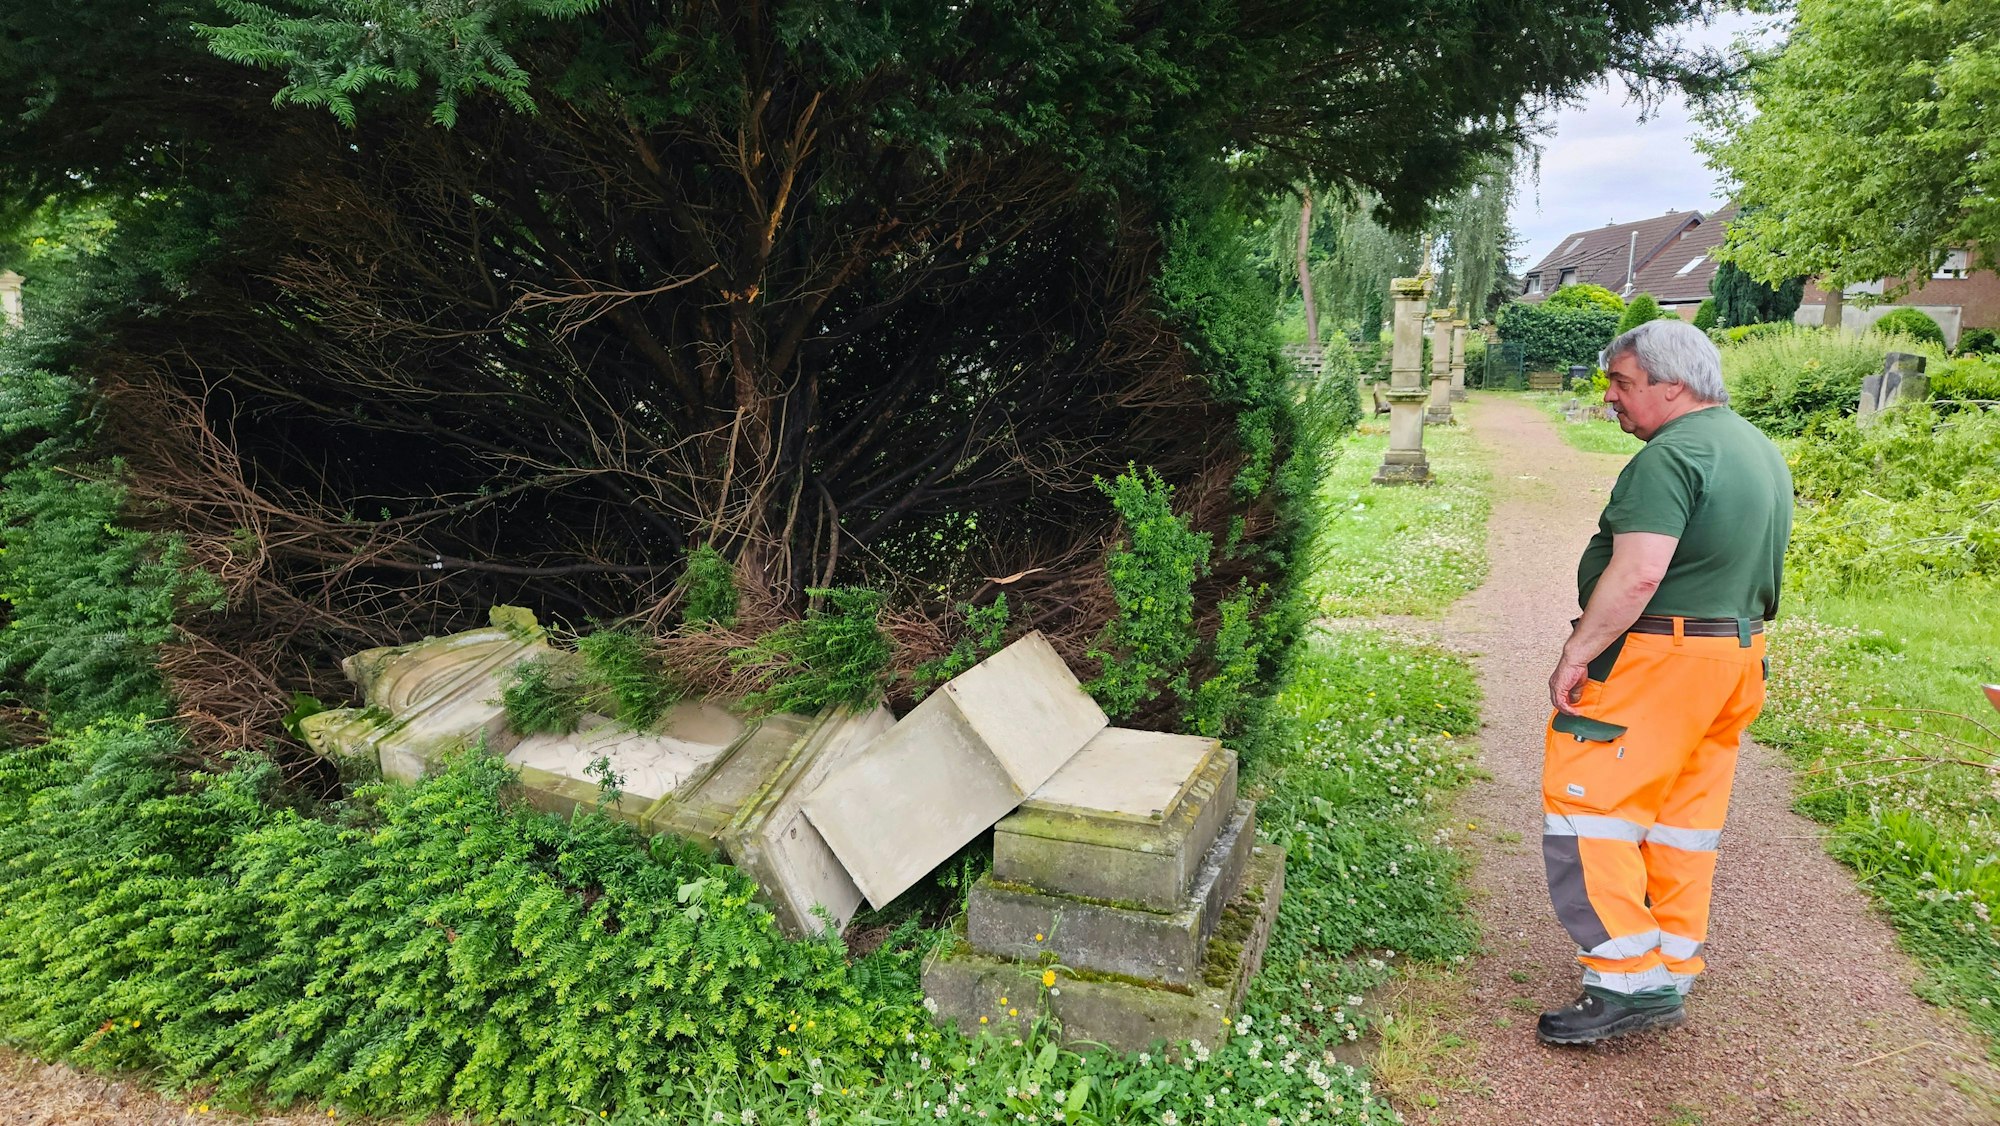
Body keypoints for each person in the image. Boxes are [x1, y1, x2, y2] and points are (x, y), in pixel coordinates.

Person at [1536, 318, 1793, 1045]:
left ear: (1671, 385)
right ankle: (1670, 964)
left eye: (1622, 383)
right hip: (1735, 658)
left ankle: (1624, 979)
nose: (1611, 397)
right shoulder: (1756, 448)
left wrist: (1578, 652)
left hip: (1660, 662)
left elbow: (1642, 570)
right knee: (1683, 823)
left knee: (1588, 809)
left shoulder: (1672, 456)